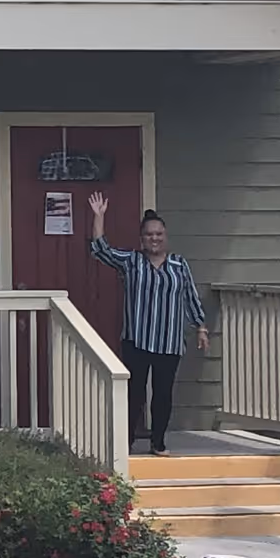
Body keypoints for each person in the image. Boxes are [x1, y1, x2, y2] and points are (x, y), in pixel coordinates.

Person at [87, 193, 208, 456]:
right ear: (142, 239)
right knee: (134, 394)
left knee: (163, 394)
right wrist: (99, 216)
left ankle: (158, 442)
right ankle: (126, 442)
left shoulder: (179, 265)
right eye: (149, 235)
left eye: (159, 234)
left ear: (166, 236)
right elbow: (101, 250)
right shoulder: (131, 261)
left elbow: (190, 296)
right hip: (137, 340)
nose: (155, 238)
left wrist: (200, 327)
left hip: (169, 342)